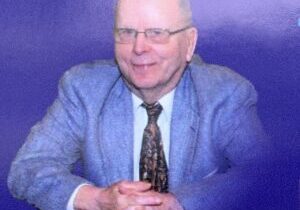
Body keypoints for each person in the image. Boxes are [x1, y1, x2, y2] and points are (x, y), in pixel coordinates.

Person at [8, 0, 276, 209]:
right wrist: (96, 200)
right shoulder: (83, 90)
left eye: (156, 33)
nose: (138, 48)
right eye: (126, 32)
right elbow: (27, 169)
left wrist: (181, 203)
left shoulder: (225, 94)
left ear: (189, 43)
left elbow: (261, 173)